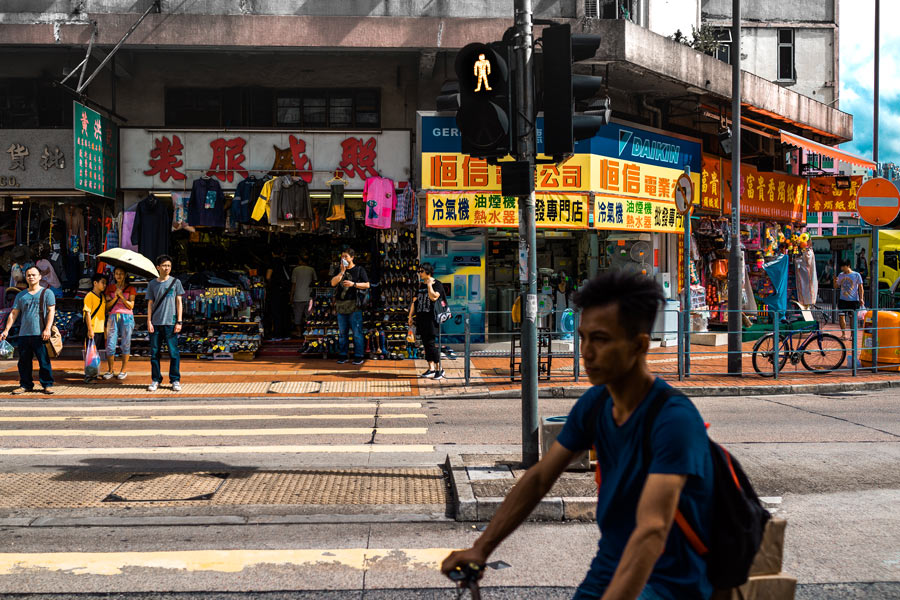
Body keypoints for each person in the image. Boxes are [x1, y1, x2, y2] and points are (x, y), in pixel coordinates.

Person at [442, 271, 714, 600]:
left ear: (639, 345)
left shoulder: (674, 421)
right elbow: (540, 478)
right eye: (583, 337)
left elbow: (653, 531)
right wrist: (481, 548)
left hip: (670, 582)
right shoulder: (597, 403)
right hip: (608, 567)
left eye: (600, 339)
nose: (586, 351)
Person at [0, 266, 56, 394]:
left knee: (44, 361)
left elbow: (51, 311)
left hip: (40, 333)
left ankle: (47, 384)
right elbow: (14, 313)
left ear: (40, 277)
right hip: (24, 334)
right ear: (26, 277)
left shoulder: (47, 293)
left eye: (34, 275)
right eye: (28, 275)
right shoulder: (21, 295)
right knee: (24, 362)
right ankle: (25, 384)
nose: (31, 277)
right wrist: (6, 330)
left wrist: (47, 329)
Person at [146, 255, 184, 392]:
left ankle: (175, 379)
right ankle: (156, 379)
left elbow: (179, 302)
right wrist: (148, 321)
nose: (166, 268)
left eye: (168, 265)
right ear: (158, 267)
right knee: (154, 353)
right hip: (156, 323)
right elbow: (150, 304)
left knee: (174, 353)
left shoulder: (176, 282)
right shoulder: (152, 284)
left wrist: (179, 321)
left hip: (171, 322)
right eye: (164, 265)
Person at [329, 248, 369, 365]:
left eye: (346, 256)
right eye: (342, 257)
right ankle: (343, 354)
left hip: (354, 305)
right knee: (342, 332)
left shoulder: (359, 270)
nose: (343, 259)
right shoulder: (339, 269)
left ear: (352, 257)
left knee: (357, 332)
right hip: (341, 305)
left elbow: (367, 284)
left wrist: (354, 284)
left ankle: (358, 355)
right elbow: (332, 283)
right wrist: (342, 272)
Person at [408, 262, 445, 380]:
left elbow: (434, 297)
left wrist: (429, 285)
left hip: (432, 319)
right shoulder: (420, 286)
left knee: (431, 344)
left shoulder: (437, 284)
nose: (419, 273)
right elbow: (414, 301)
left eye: (421, 271)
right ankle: (431, 368)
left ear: (428, 272)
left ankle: (440, 369)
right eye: (419, 271)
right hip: (421, 318)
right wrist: (410, 316)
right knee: (425, 344)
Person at [103, 267, 136, 380]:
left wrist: (122, 296)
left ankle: (123, 370)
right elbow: (107, 306)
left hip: (127, 317)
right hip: (113, 316)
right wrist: (116, 297)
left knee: (126, 343)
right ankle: (110, 370)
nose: (119, 276)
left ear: (125, 274)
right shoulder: (110, 288)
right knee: (110, 344)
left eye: (121, 274)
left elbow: (131, 306)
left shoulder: (131, 288)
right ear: (114, 275)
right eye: (117, 274)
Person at [82, 273, 108, 383]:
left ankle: (94, 373)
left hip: (100, 329)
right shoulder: (89, 296)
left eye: (105, 283)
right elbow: (87, 313)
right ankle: (89, 376)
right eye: (102, 283)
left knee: (96, 353)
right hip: (93, 328)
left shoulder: (102, 297)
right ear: (95, 283)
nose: (104, 285)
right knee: (91, 353)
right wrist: (90, 329)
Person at [834, 259, 865, 340]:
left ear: (848, 266)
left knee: (852, 318)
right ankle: (843, 334)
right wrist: (835, 281)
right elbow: (836, 286)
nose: (842, 269)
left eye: (843, 267)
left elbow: (861, 288)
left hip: (853, 300)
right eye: (841, 267)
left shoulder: (856, 275)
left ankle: (852, 335)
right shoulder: (841, 275)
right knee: (841, 316)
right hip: (843, 299)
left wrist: (861, 298)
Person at [265, 248, 292, 340]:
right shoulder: (284, 263)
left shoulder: (272, 262)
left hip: (275, 290)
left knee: (276, 312)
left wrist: (269, 285)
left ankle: (277, 334)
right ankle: (286, 334)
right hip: (284, 291)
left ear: (272, 253)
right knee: (285, 312)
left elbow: (268, 276)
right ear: (281, 253)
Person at [290, 255, 316, 338]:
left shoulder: (296, 270)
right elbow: (315, 282)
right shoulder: (311, 270)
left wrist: (291, 296)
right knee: (309, 317)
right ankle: (309, 331)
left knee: (297, 316)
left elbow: (293, 284)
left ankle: (299, 332)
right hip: (309, 297)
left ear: (300, 260)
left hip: (298, 296)